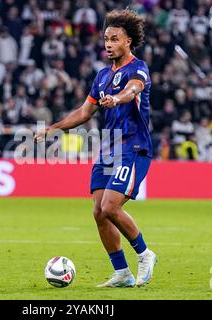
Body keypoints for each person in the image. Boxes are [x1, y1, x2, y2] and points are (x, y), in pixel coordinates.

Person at [35, 9, 156, 288]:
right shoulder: (102, 75)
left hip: (133, 146)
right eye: (106, 39)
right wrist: (53, 128)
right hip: (108, 150)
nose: (108, 44)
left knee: (111, 206)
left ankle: (145, 253)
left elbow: (133, 90)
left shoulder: (138, 68)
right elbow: (84, 112)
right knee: (99, 212)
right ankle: (122, 273)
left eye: (114, 39)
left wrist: (118, 98)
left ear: (128, 41)